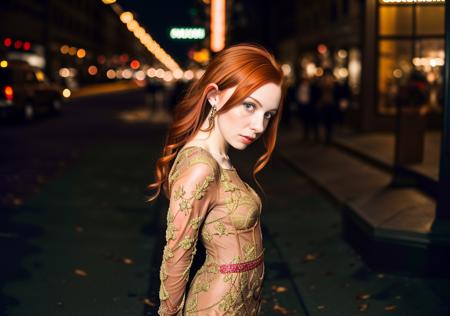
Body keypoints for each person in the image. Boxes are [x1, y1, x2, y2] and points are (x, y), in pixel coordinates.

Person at [147, 43, 285, 315]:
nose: (259, 126)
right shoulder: (200, 167)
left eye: (268, 114)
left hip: (243, 303)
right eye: (249, 106)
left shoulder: (218, 156)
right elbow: (176, 257)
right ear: (213, 96)